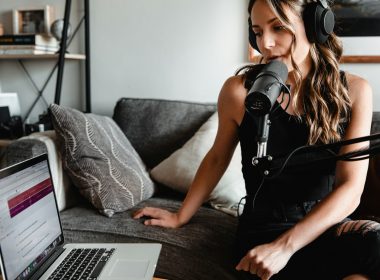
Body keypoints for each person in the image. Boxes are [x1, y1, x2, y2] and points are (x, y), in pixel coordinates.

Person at [133, 0, 380, 279]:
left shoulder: (356, 91)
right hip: (263, 230)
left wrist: (285, 248)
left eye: (278, 28)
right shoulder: (238, 91)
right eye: (258, 32)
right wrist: (181, 216)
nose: (266, 44)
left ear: (314, 26)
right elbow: (217, 158)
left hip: (324, 225)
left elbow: (350, 188)